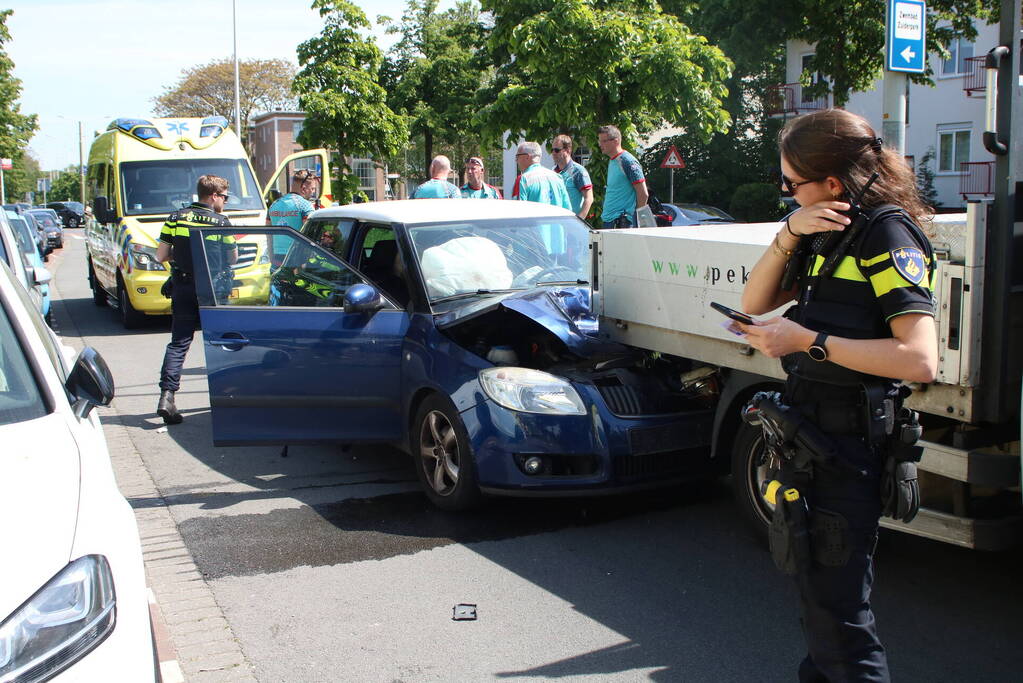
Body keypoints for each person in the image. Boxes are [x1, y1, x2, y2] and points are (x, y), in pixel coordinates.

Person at [738, 109, 938, 682]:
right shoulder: (826, 227)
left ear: (831, 181)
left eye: (791, 183)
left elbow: (919, 358)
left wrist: (807, 339)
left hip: (849, 451)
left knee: (842, 621)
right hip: (812, 442)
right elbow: (753, 302)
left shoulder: (885, 235)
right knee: (818, 607)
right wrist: (789, 232)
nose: (785, 193)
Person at [155, 175, 237, 424]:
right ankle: (228, 398)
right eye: (224, 196)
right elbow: (232, 258)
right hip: (211, 289)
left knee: (179, 343)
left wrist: (182, 257)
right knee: (221, 343)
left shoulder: (175, 218)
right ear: (213, 196)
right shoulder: (221, 222)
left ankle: (167, 397)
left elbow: (161, 256)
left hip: (183, 285)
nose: (225, 201)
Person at [597, 125, 648, 228]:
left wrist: (636, 221)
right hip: (610, 221)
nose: (600, 144)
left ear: (615, 141)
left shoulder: (627, 161)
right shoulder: (612, 161)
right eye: (599, 141)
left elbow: (643, 193)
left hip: (621, 223)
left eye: (604, 141)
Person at [511, 141, 571, 210]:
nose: (516, 160)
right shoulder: (557, 177)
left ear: (527, 157)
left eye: (517, 156)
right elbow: (568, 210)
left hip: (534, 220)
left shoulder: (523, 179)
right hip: (557, 220)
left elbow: (518, 211)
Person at [550, 134, 593, 219]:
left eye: (557, 150)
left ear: (568, 150)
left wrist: (579, 221)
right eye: (552, 150)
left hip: (571, 224)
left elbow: (589, 199)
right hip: (556, 222)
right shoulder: (553, 172)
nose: (553, 153)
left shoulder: (578, 171)